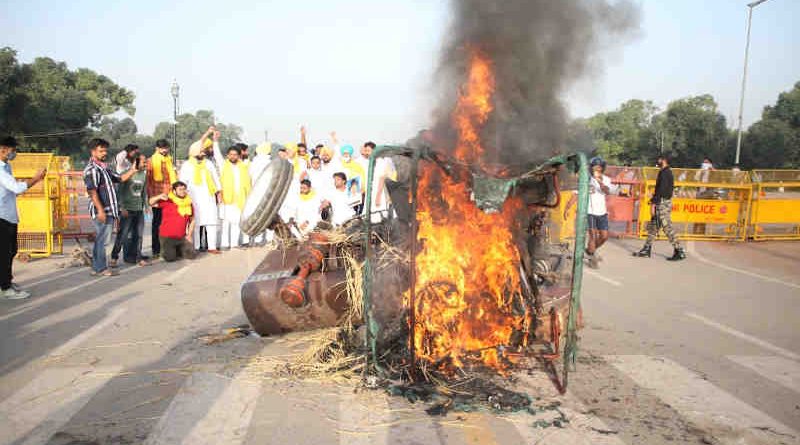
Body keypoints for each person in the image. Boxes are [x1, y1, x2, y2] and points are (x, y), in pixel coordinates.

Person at [84, 138, 141, 276]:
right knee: (102, 240)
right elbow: (92, 191)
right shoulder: (92, 169)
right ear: (93, 152)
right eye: (101, 150)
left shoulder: (104, 168)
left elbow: (120, 178)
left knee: (102, 239)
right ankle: (100, 268)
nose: (104, 153)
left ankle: (98, 267)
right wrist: (100, 211)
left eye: (105, 150)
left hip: (109, 210)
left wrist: (133, 170)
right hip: (102, 211)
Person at [0, 136, 46, 299]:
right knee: (5, 253)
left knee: (11, 251)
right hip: (2, 217)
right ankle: (5, 289)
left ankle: (5, 282)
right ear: (3, 149)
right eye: (13, 150)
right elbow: (16, 188)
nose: (15, 153)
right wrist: (36, 178)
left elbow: (11, 190)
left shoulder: (7, 167)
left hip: (9, 215)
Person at [633, 155, 686, 261]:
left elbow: (661, 191)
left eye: (660, 159)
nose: (658, 161)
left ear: (664, 160)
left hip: (662, 203)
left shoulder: (665, 173)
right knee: (654, 227)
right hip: (662, 202)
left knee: (667, 227)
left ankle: (679, 250)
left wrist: (653, 203)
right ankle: (646, 249)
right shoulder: (665, 172)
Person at [179, 137, 222, 254]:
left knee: (211, 222)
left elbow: (216, 179)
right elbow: (181, 182)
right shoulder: (187, 165)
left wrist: (219, 193)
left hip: (209, 197)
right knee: (195, 223)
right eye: (201, 151)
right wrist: (183, 196)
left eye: (203, 151)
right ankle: (196, 247)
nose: (203, 153)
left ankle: (212, 247)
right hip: (193, 198)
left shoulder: (208, 164)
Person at [110, 153, 150, 267]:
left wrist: (146, 206)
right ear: (135, 162)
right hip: (127, 209)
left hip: (138, 209)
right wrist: (121, 207)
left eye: (145, 162)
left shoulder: (144, 175)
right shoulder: (126, 174)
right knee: (123, 235)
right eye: (143, 162)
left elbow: (143, 192)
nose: (145, 164)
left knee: (139, 235)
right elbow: (119, 192)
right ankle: (114, 257)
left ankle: (138, 258)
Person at [584, 157, 618, 268]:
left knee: (604, 236)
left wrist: (600, 182)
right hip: (590, 211)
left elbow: (607, 191)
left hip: (601, 212)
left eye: (599, 168)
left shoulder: (606, 179)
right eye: (595, 167)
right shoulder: (587, 179)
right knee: (592, 236)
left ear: (602, 169)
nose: (597, 170)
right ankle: (592, 258)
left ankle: (590, 251)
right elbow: (577, 193)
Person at [150, 181, 196, 262]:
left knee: (191, 255)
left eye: (184, 189)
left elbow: (192, 220)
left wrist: (189, 235)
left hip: (181, 237)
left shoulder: (188, 203)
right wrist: (159, 196)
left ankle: (178, 249)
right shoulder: (168, 200)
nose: (183, 191)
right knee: (170, 258)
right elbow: (151, 203)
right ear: (174, 191)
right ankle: (168, 251)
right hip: (167, 237)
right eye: (180, 189)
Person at [146, 139, 176, 259]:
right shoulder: (151, 161)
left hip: (169, 196)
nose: (165, 150)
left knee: (168, 224)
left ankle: (167, 249)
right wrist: (151, 198)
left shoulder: (169, 160)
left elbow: (173, 177)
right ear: (157, 149)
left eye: (166, 148)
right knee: (157, 224)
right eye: (162, 148)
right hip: (157, 196)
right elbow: (148, 181)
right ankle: (156, 250)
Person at [219, 145, 252, 249]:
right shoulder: (223, 165)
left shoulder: (243, 167)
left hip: (240, 199)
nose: (233, 156)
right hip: (227, 198)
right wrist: (215, 142)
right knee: (226, 222)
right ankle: (224, 244)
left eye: (235, 155)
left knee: (236, 222)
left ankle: (234, 244)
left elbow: (248, 183)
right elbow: (217, 155)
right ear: (227, 155)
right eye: (231, 154)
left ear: (239, 156)